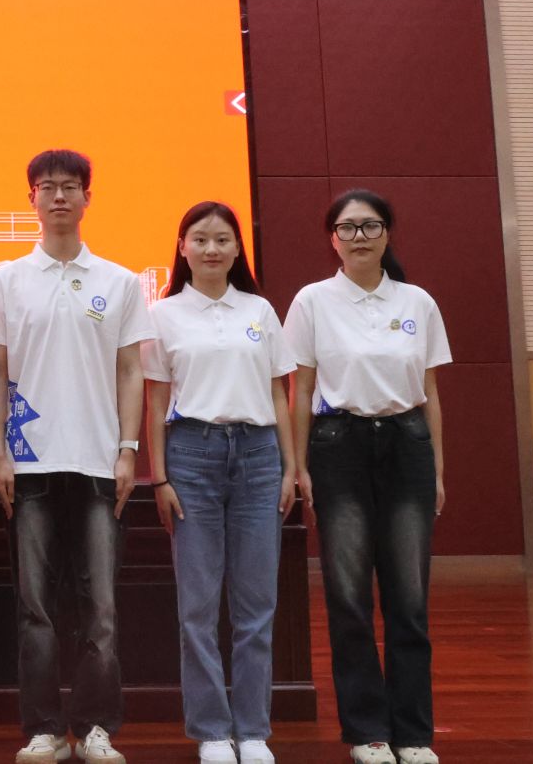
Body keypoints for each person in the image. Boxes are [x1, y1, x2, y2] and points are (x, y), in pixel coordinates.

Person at [0, 149, 150, 764]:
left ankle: (97, 727)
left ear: (86, 198)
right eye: (47, 187)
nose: (58, 197)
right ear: (31, 198)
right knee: (36, 608)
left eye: (70, 187)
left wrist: (128, 449)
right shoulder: (4, 280)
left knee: (100, 607)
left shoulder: (120, 281)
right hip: (29, 466)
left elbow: (130, 371)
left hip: (101, 463)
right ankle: (45, 730)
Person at [286, 191, 449, 764]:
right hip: (339, 447)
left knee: (409, 599)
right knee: (349, 597)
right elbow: (301, 389)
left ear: (388, 233)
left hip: (407, 446)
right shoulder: (312, 301)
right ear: (332, 238)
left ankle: (413, 734)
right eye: (348, 227)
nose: (360, 236)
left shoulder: (417, 301)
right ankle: (367, 733)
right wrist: (299, 465)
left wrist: (438, 469)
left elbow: (430, 393)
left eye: (371, 226)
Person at [142, 203, 294, 764]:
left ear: (237, 249)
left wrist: (289, 466)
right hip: (191, 456)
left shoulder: (260, 310)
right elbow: (155, 400)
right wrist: (159, 476)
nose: (211, 249)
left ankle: (252, 730)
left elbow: (279, 393)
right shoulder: (163, 315)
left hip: (258, 456)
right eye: (200, 239)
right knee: (198, 607)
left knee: (257, 605)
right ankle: (211, 731)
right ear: (182, 247)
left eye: (222, 239)